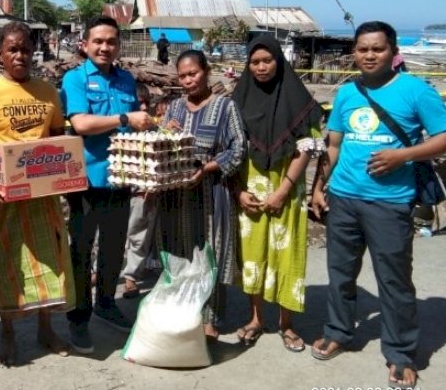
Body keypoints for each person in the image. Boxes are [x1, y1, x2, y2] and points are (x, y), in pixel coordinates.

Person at [310, 21, 446, 389]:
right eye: (362, 49)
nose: (369, 55)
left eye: (377, 49)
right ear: (354, 52)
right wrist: (320, 187)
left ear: (392, 51)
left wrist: (404, 156)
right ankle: (338, 331)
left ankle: (401, 354)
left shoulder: (416, 91)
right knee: (340, 274)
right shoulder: (346, 93)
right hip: (343, 199)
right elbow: (334, 145)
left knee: (394, 281)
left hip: (390, 203)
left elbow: (443, 138)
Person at [0, 21, 74, 366]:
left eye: (25, 49)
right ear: (0, 54)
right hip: (6, 194)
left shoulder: (48, 92)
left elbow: (58, 136)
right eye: (12, 49)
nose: (20, 55)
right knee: (8, 263)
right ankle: (8, 335)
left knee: (49, 260)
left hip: (43, 195)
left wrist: (63, 175)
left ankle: (46, 329)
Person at [59, 15, 155, 354]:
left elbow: (133, 130)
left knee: (115, 246)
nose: (104, 47)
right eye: (97, 41)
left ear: (118, 46)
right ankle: (78, 317)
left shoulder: (127, 80)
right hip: (86, 178)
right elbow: (82, 123)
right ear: (84, 45)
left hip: (121, 178)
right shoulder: (75, 80)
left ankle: (106, 303)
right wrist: (125, 118)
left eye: (111, 41)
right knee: (81, 250)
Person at [230, 35, 324, 351]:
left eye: (266, 60)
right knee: (253, 254)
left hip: (288, 186)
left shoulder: (297, 97)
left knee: (288, 252)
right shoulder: (238, 99)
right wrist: (239, 191)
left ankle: (287, 324)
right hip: (250, 189)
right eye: (254, 62)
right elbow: (229, 148)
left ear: (278, 61)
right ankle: (256, 318)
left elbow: (308, 146)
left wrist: (283, 190)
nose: (260, 67)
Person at [157, 49, 246, 340]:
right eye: (182, 76)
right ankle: (183, 311)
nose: (187, 81)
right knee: (180, 252)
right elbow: (160, 148)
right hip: (177, 195)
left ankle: (211, 318)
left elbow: (238, 149)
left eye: (193, 73)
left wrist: (207, 168)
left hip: (212, 192)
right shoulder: (175, 108)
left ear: (206, 71)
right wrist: (164, 132)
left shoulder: (225, 107)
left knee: (212, 253)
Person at [121, 84, 160, 298]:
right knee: (106, 236)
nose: (143, 106)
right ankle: (97, 271)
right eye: (139, 102)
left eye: (146, 102)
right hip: (117, 190)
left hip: (142, 193)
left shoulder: (155, 131)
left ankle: (131, 278)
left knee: (138, 235)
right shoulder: (121, 128)